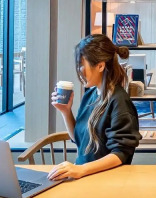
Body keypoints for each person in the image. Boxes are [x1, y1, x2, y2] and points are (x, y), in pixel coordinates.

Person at [48, 34, 141, 181]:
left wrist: (81, 169)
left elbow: (120, 153)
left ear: (100, 66)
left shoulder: (119, 101)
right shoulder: (90, 95)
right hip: (85, 177)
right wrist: (66, 111)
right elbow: (79, 139)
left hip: (105, 181)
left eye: (82, 64)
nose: (79, 70)